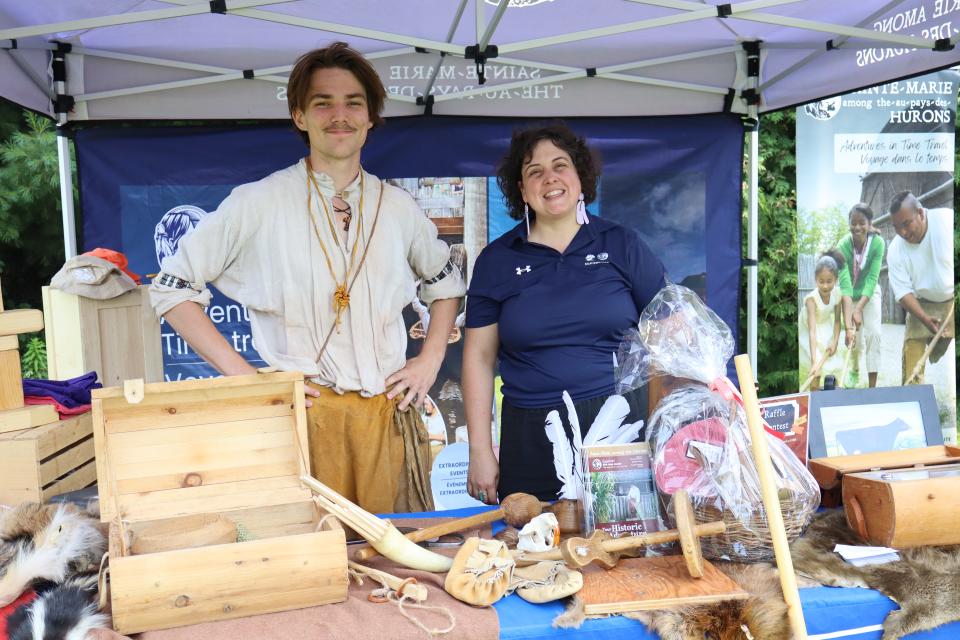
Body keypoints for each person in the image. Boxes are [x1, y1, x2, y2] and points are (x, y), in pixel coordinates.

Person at [149, 42, 465, 514]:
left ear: (371, 117)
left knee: (396, 572)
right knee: (309, 568)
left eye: (354, 103)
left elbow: (445, 284)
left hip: (385, 421)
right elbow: (171, 289)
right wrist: (249, 380)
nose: (340, 115)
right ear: (300, 116)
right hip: (300, 420)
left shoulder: (395, 207)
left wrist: (431, 357)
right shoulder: (258, 202)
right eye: (323, 103)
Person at [462, 123, 666, 504]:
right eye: (534, 172)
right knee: (534, 553)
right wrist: (479, 449)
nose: (549, 178)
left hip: (617, 427)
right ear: (521, 190)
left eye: (560, 166)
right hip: (530, 434)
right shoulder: (496, 260)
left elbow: (672, 331)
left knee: (625, 552)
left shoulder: (622, 245)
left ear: (580, 178)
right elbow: (478, 357)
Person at [886, 191, 955, 384]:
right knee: (911, 360)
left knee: (942, 349)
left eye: (906, 223)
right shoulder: (895, 250)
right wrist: (924, 318)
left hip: (953, 300)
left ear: (921, 213)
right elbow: (903, 292)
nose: (903, 233)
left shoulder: (947, 221)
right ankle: (912, 397)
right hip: (920, 305)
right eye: (897, 227)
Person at [837, 204, 885, 387]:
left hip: (870, 294)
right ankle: (854, 371)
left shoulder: (878, 244)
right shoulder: (843, 246)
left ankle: (872, 385)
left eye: (862, 223)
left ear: (869, 224)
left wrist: (859, 308)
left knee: (874, 334)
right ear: (849, 224)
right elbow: (845, 286)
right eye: (853, 223)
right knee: (853, 341)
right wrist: (848, 326)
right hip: (850, 296)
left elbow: (872, 278)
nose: (857, 227)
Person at [799, 251, 844, 391]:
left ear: (836, 280)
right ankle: (814, 395)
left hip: (826, 325)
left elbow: (837, 321)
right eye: (821, 281)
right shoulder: (812, 300)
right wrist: (814, 363)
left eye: (829, 281)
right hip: (810, 329)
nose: (825, 286)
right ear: (815, 279)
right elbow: (812, 331)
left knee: (832, 364)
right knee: (816, 368)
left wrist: (835, 341)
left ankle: (831, 396)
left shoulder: (837, 293)